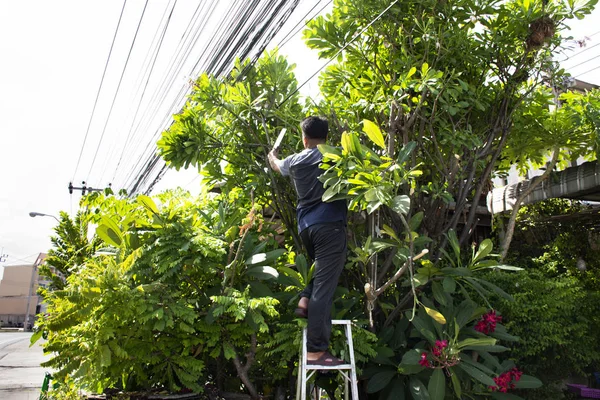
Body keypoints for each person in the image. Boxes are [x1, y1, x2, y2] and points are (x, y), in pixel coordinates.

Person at [268, 116, 347, 366]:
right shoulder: (337, 155)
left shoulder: (295, 160)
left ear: (304, 139)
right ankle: (315, 350)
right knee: (324, 287)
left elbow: (276, 165)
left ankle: (304, 299)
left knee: (320, 273)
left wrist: (272, 154)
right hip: (330, 227)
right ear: (327, 136)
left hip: (307, 229)